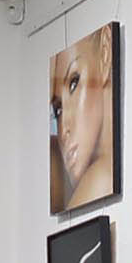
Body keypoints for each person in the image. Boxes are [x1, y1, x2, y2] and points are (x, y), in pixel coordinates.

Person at [49, 28, 115, 213]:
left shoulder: (101, 177)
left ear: (105, 52)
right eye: (58, 110)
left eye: (73, 83)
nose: (64, 129)